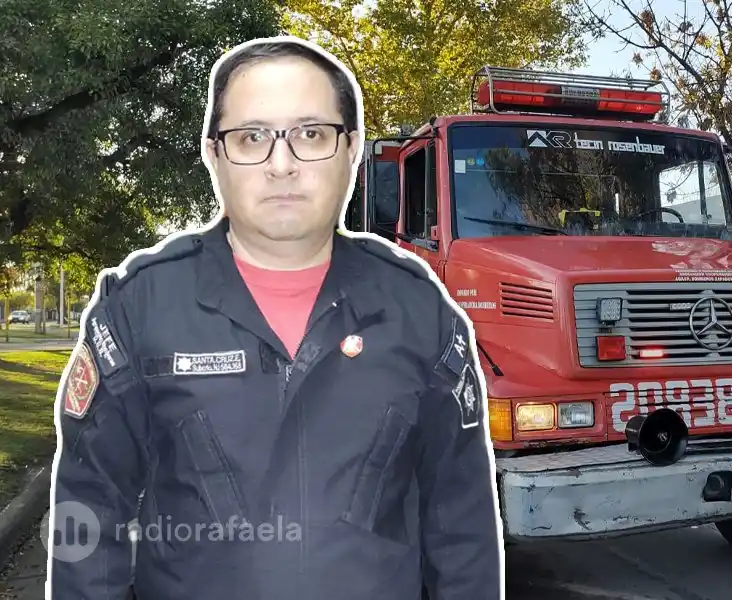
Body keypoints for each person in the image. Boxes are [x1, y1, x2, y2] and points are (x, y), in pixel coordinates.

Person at [47, 36, 504, 600]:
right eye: (251, 137)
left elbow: (463, 530)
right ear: (214, 154)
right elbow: (88, 517)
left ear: (352, 150)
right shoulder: (139, 308)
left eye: (311, 134)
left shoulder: (421, 313)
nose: (281, 165)